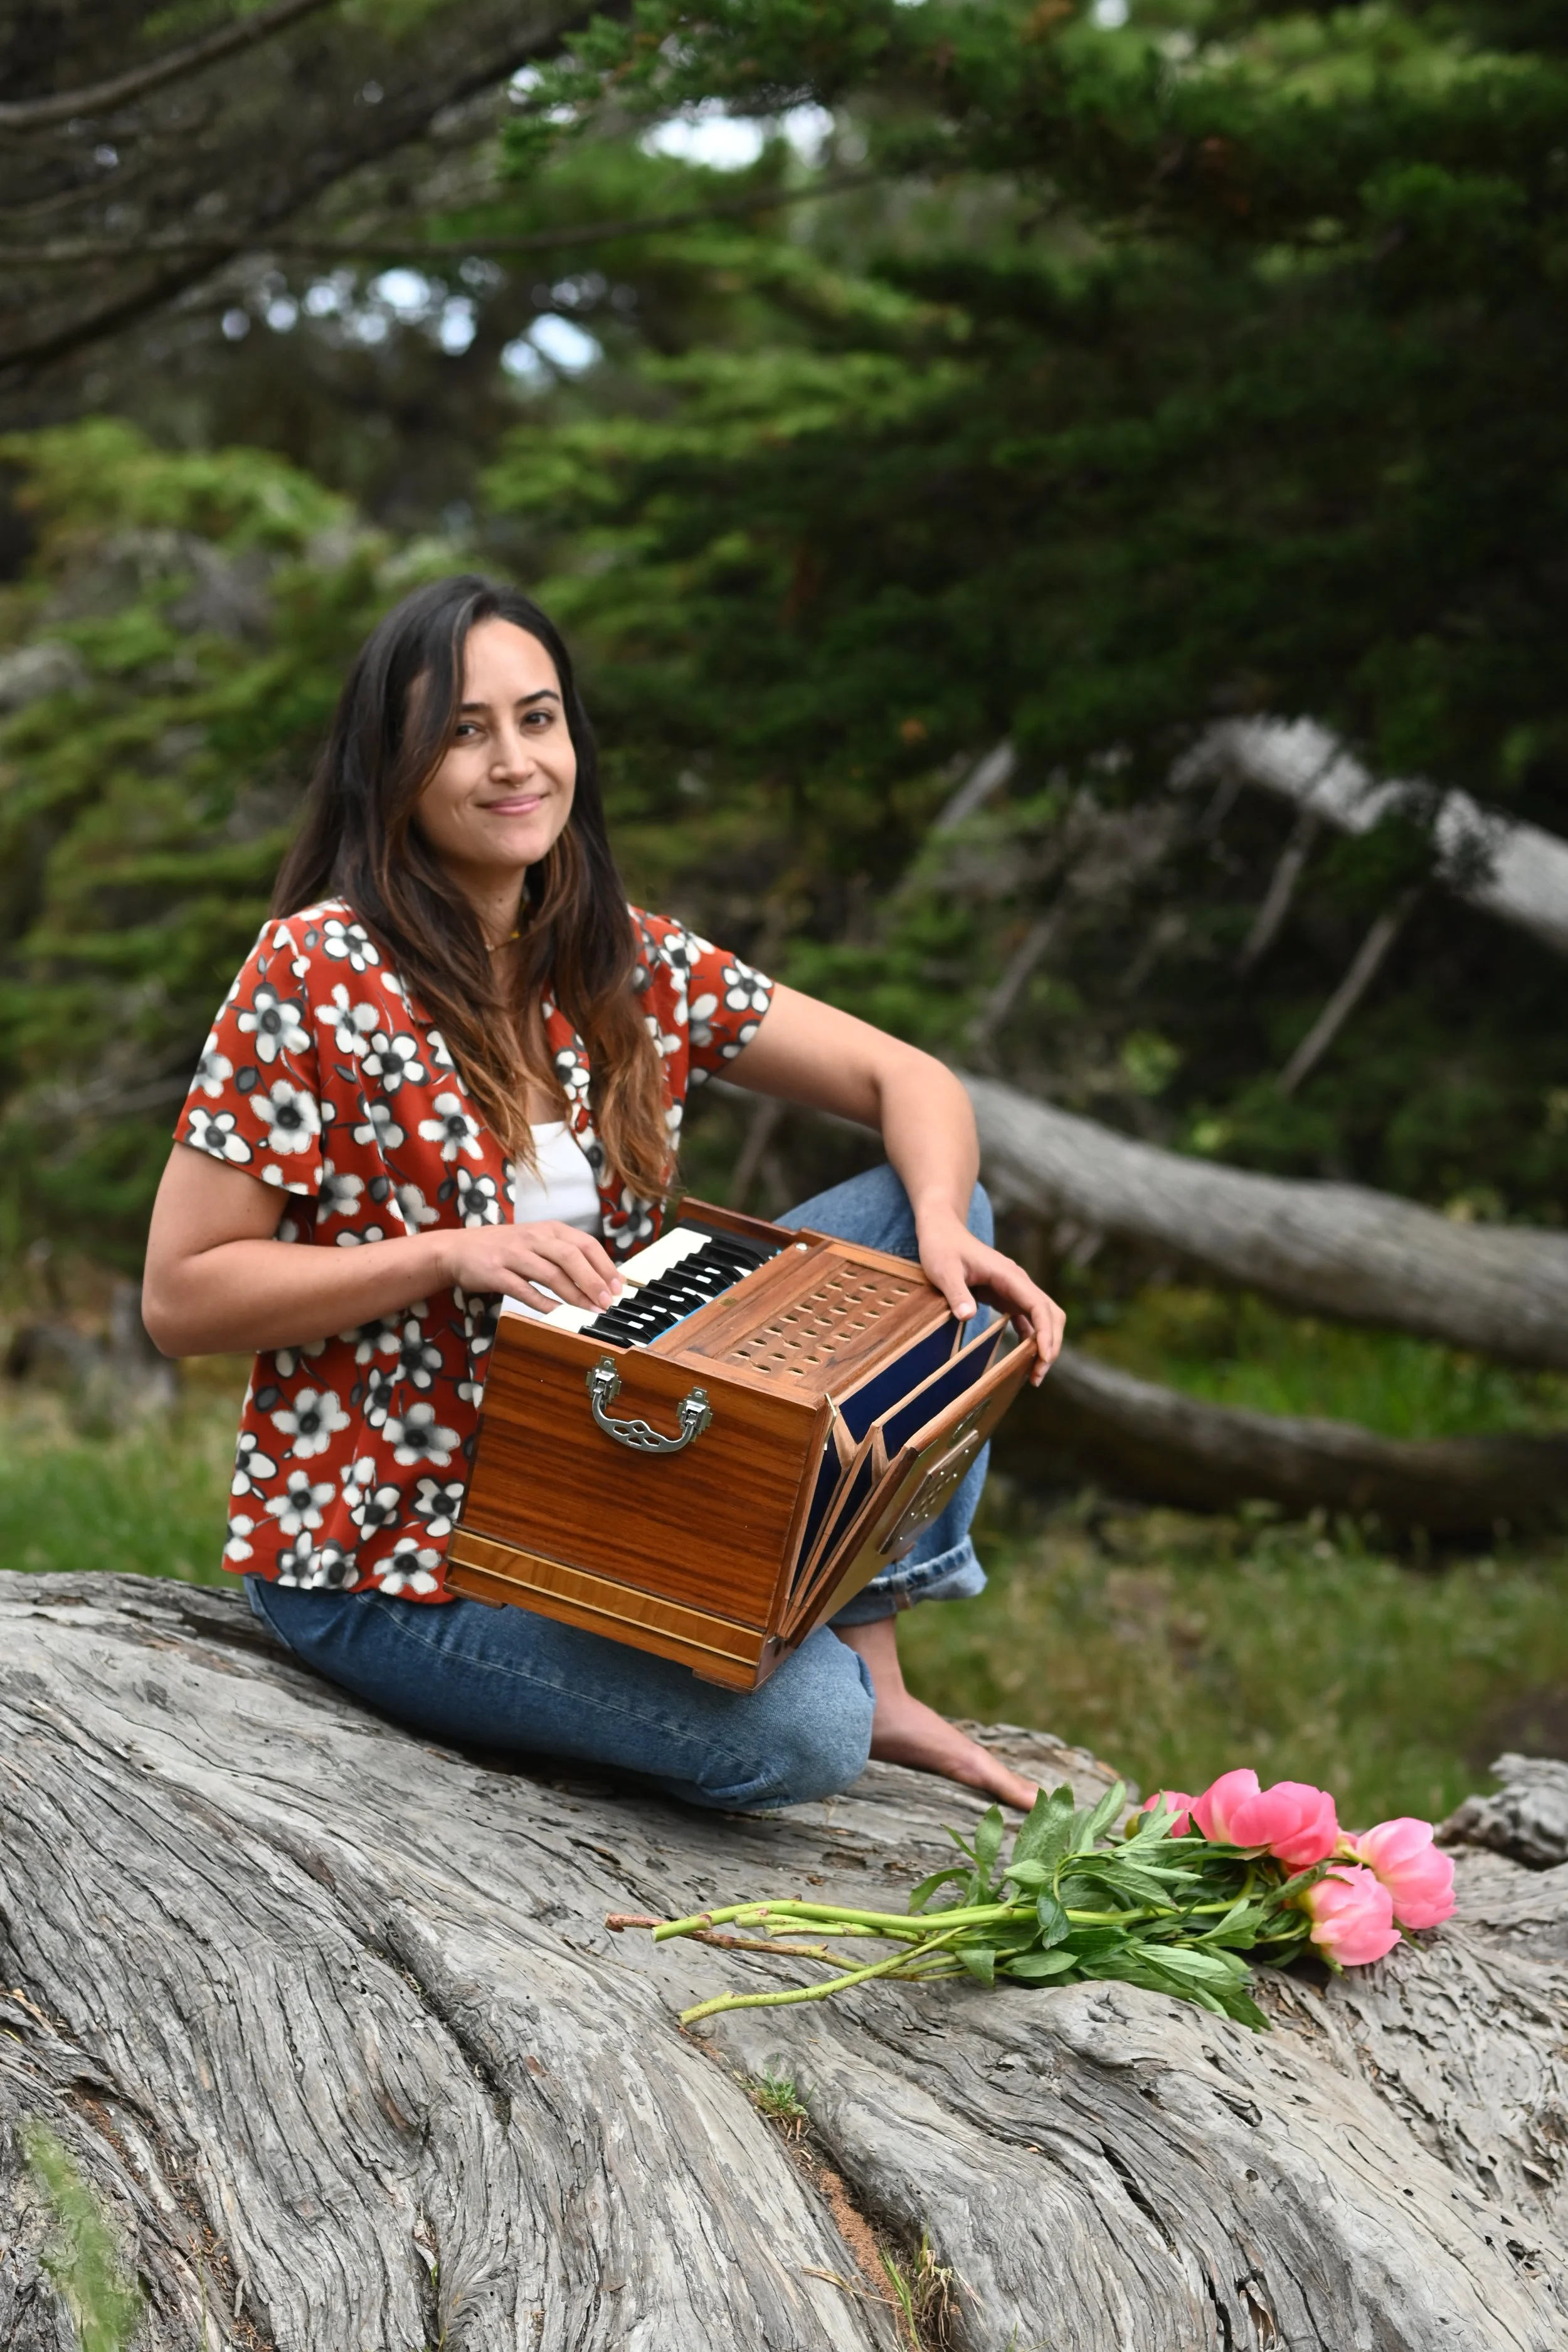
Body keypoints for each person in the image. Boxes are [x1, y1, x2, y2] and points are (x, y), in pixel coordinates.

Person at [142, 576, 1064, 1816]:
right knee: (804, 1737)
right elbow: (184, 1295)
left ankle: (871, 1643)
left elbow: (906, 1076)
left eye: (538, 719)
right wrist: (445, 1255)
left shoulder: (609, 951)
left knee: (936, 1237)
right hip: (395, 1554)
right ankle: (807, 1674)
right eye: (463, 731)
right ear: (391, 764)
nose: (513, 762)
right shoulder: (315, 972)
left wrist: (945, 1226)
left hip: (605, 1468)